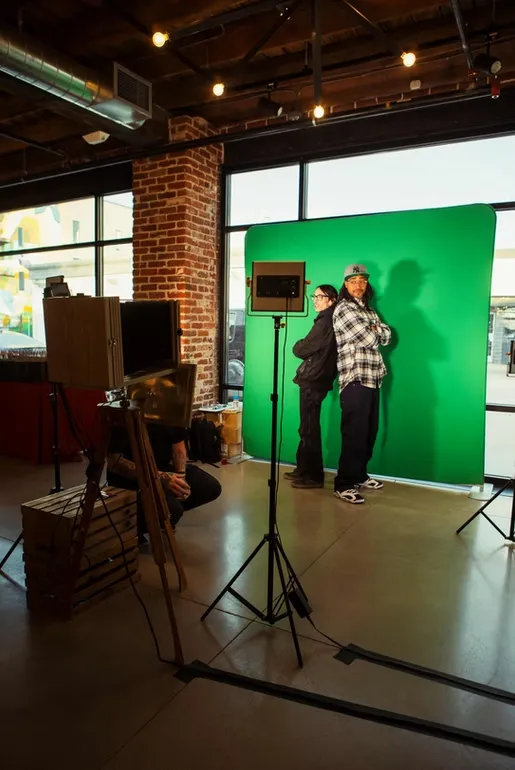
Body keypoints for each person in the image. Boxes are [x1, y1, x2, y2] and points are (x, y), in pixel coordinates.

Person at [332, 264, 391, 505]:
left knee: (368, 432)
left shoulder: (369, 310)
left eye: (362, 281)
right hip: (355, 378)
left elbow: (387, 337)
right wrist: (375, 330)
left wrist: (375, 329)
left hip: (373, 377)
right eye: (353, 280)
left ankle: (359, 476)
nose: (359, 285)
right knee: (354, 434)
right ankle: (344, 484)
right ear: (346, 284)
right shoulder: (343, 309)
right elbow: (369, 338)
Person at [106, 421, 222, 540]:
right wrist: (161, 477)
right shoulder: (125, 415)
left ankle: (160, 517)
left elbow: (179, 447)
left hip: (163, 471)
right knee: (173, 509)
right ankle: (136, 526)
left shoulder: (168, 409)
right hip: (132, 479)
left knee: (210, 487)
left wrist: (181, 476)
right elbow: (114, 462)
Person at [284, 284, 338, 489]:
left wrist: (298, 345)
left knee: (309, 429)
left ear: (331, 300)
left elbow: (302, 349)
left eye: (320, 296)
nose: (315, 300)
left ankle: (313, 476)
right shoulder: (328, 318)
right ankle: (303, 469)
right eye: (313, 296)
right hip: (318, 378)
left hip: (313, 379)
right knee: (306, 427)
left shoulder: (325, 321)